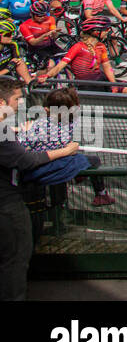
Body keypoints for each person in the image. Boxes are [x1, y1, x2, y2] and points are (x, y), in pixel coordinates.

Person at [1, 77, 81, 300]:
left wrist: (18, 130)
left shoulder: (7, 130)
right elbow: (26, 160)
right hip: (7, 206)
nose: (20, 104)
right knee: (15, 258)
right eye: (16, 99)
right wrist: (65, 152)